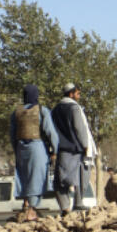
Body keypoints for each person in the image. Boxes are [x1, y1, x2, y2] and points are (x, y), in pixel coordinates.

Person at [9, 84, 58, 221]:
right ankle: (32, 210)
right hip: (37, 148)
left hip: (20, 148)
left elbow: (12, 134)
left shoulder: (16, 112)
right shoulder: (42, 110)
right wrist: (55, 149)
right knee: (37, 178)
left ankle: (25, 204)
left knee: (23, 177)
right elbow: (50, 132)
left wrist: (16, 148)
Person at [51, 83, 97, 216]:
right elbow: (79, 128)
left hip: (61, 149)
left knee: (63, 179)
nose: (79, 96)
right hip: (74, 149)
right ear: (71, 94)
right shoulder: (74, 108)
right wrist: (85, 145)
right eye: (77, 93)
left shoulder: (55, 109)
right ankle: (74, 205)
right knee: (76, 178)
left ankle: (68, 206)